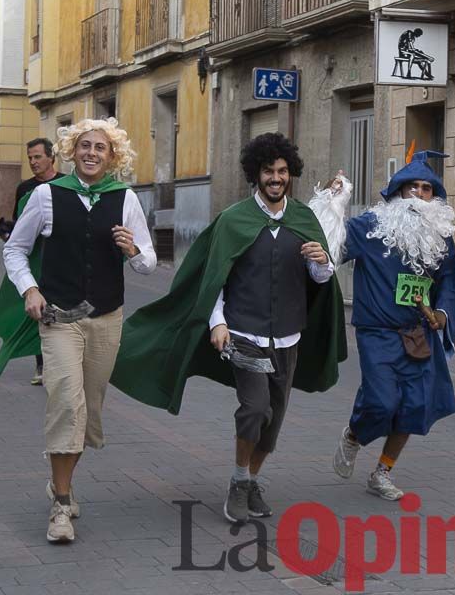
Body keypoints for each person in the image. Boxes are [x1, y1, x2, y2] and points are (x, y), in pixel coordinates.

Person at [111, 133, 347, 526]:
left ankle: (252, 478)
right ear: (255, 175)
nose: (276, 178)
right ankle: (239, 483)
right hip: (244, 335)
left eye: (283, 171)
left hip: (288, 335)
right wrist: (217, 322)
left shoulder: (304, 219)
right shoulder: (234, 219)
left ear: (291, 175)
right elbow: (214, 277)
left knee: (273, 423)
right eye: (269, 171)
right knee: (255, 409)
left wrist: (322, 261)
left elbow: (320, 281)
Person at [0, 119, 156, 544]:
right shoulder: (47, 194)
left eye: (100, 147)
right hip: (59, 317)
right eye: (84, 145)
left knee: (87, 412)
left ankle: (60, 482)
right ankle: (61, 504)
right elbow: (15, 248)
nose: (91, 153)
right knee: (66, 401)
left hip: (106, 318)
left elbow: (149, 262)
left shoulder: (124, 199)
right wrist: (29, 289)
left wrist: (133, 249)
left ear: (112, 156)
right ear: (71, 150)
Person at [311, 151, 455, 501]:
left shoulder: (440, 235)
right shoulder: (370, 226)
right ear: (398, 191)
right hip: (377, 331)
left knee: (413, 407)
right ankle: (354, 435)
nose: (419, 194)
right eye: (412, 187)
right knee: (382, 400)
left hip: (419, 333)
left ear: (434, 197)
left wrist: (441, 315)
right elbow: (330, 245)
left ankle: (382, 472)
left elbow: (452, 283)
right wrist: (333, 203)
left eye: (427, 189)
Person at [11, 137, 62, 385]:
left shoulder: (66, 184)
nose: (33, 162)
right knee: (37, 309)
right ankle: (41, 364)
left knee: (56, 308)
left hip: (59, 258)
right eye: (30, 157)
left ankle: (55, 361)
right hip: (33, 259)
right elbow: (17, 224)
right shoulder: (24, 188)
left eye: (37, 157)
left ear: (52, 157)